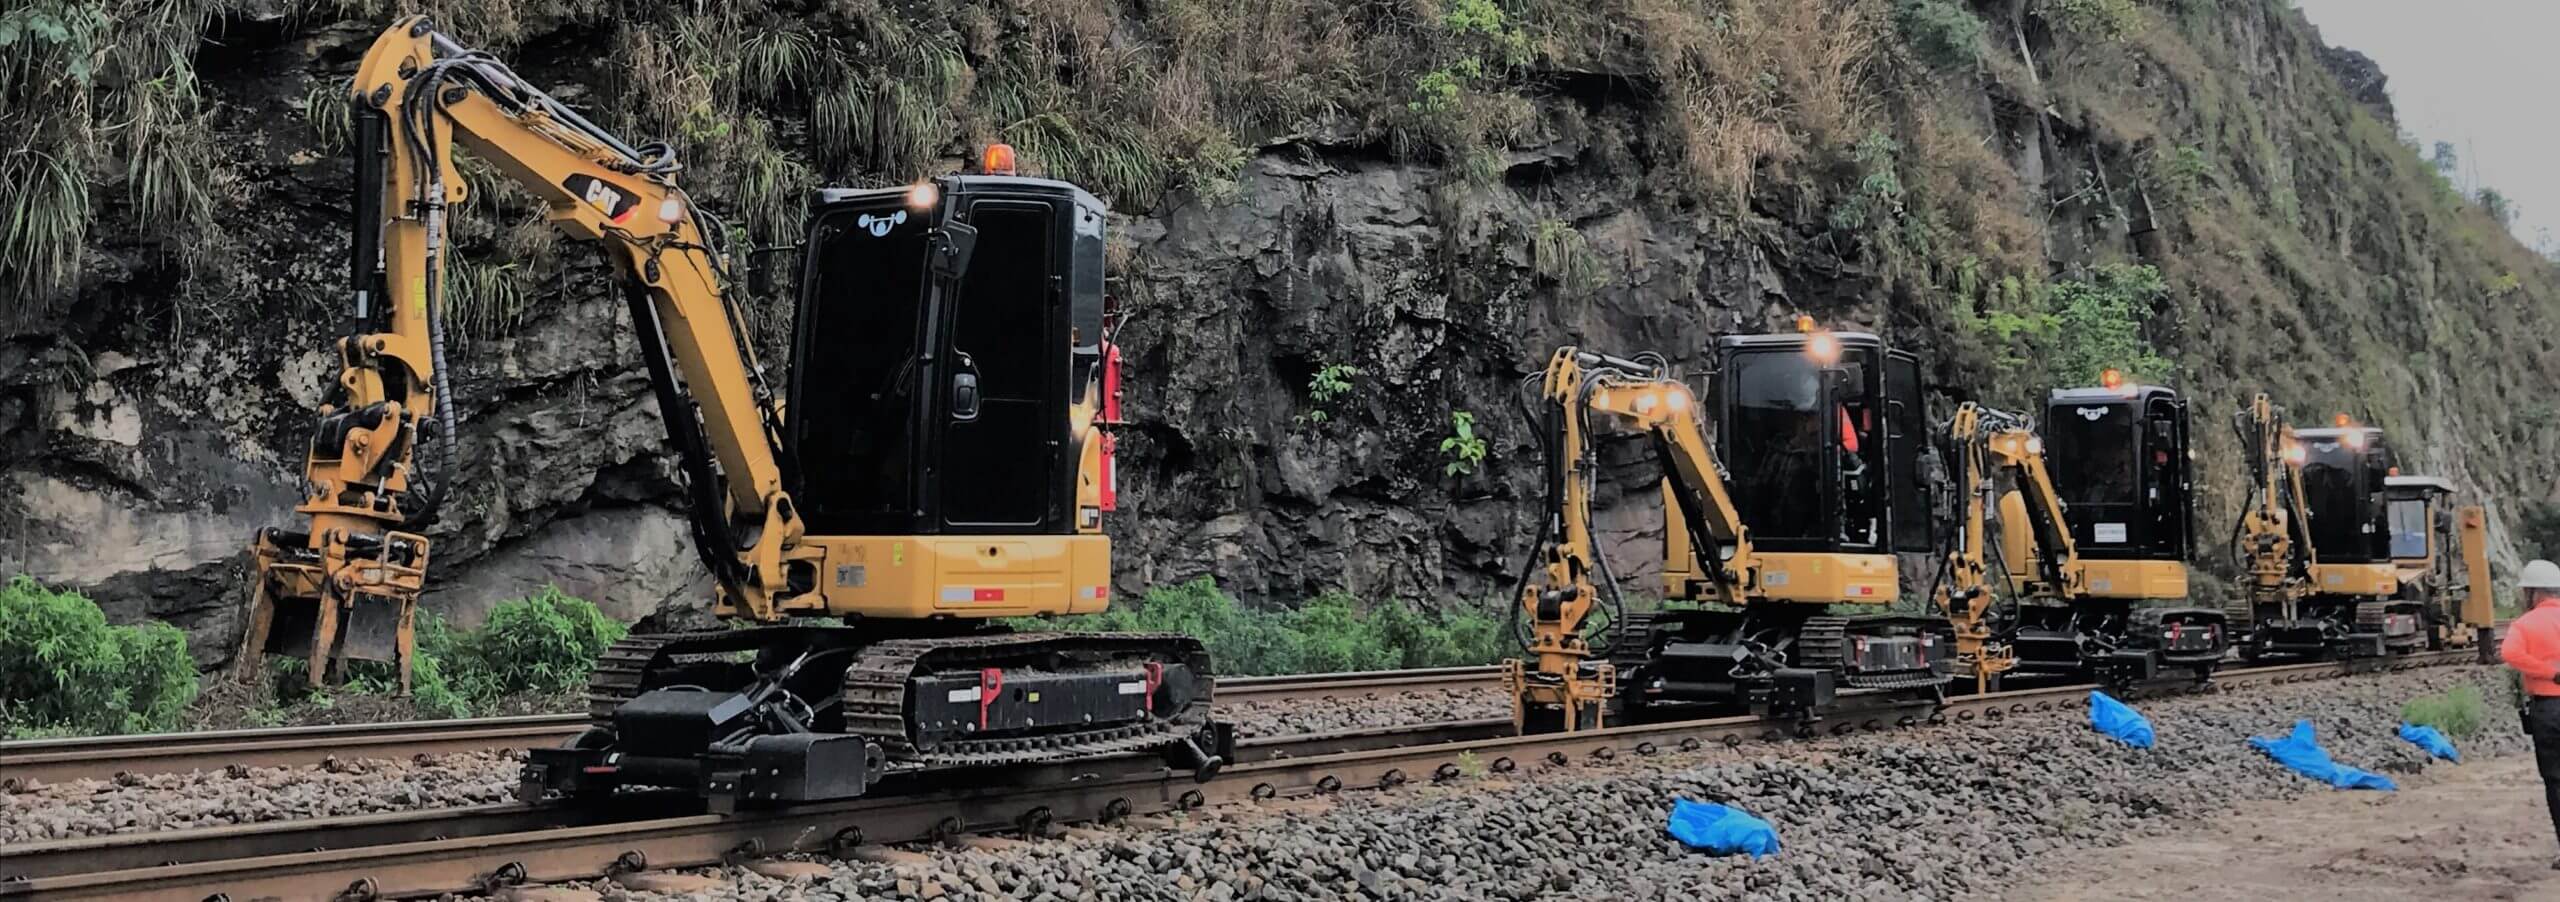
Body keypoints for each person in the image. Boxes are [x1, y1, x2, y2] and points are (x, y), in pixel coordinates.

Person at [2499, 558, 2560, 867]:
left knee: (2556, 780)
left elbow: (2509, 653)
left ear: (2533, 593)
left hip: (2548, 709)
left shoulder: (2525, 624)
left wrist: (2548, 672)